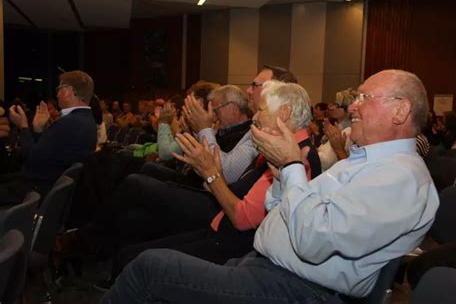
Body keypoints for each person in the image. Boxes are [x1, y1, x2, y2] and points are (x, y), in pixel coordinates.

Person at [102, 70, 439, 303]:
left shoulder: (402, 177)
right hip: (266, 266)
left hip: (298, 289)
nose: (352, 105)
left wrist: (291, 166)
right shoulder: (367, 162)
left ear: (400, 110)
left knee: (149, 267)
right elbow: (279, 209)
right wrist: (282, 173)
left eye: (364, 97)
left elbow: (313, 241)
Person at [96, 81, 321, 291]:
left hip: (233, 245)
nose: (255, 117)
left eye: (261, 110)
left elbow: (241, 218)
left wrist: (211, 174)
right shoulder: (284, 148)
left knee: (134, 256)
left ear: (285, 113)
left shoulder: (296, 157)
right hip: (221, 226)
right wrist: (209, 175)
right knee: (134, 226)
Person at [184, 65, 297, 184]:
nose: (248, 90)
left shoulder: (270, 131)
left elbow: (226, 173)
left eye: (255, 85)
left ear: (277, 90)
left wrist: (204, 128)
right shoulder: (256, 125)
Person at [5, 70, 97, 202]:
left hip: (36, 192)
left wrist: (23, 126)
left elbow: (31, 160)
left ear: (68, 91)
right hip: (50, 189)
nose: (57, 94)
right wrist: (38, 130)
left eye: (59, 89)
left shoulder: (68, 123)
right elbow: (44, 154)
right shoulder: (87, 121)